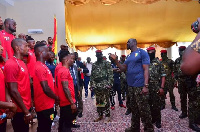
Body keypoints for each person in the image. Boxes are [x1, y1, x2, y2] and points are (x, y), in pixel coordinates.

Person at [109, 38, 154, 132]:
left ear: (134, 43)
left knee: (144, 109)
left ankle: (149, 129)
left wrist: (146, 86)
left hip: (140, 85)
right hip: (131, 86)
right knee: (134, 108)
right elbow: (122, 68)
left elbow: (146, 69)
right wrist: (116, 60)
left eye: (129, 42)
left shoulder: (142, 53)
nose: (127, 43)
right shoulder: (129, 56)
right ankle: (135, 127)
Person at [4, 38, 33, 132]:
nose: (28, 48)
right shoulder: (11, 64)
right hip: (19, 110)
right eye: (26, 46)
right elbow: (13, 90)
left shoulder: (22, 62)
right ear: (17, 48)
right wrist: (26, 111)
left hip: (25, 107)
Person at [33, 43, 59, 132]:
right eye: (47, 51)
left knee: (46, 126)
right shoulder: (40, 67)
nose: (49, 53)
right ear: (40, 53)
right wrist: (56, 98)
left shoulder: (44, 66)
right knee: (44, 127)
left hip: (48, 104)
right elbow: (45, 88)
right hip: (44, 106)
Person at [90, 50, 113, 123]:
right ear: (96, 55)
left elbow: (110, 74)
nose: (99, 55)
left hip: (104, 84)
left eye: (100, 54)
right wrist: (91, 85)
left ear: (102, 55)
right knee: (98, 100)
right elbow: (92, 76)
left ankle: (107, 116)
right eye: (97, 54)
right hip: (97, 85)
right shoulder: (94, 64)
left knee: (105, 100)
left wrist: (110, 83)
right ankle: (100, 115)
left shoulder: (106, 63)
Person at [57, 51, 77, 132]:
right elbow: (65, 88)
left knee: (63, 122)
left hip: (64, 101)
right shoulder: (64, 71)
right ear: (66, 60)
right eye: (71, 59)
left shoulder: (62, 69)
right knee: (67, 125)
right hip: (67, 102)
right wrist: (72, 103)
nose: (73, 60)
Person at [147, 47, 166, 128]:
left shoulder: (159, 62)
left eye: (151, 52)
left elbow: (163, 76)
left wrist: (162, 87)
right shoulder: (145, 62)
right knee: (148, 104)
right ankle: (152, 119)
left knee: (156, 104)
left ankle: (158, 120)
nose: (150, 53)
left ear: (154, 52)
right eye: (148, 52)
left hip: (156, 86)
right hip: (147, 86)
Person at [0, 42, 17, 132]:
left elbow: (4, 86)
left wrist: (8, 102)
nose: (2, 48)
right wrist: (10, 105)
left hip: (2, 115)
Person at [174, 46, 188, 118]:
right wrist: (176, 80)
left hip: (189, 80)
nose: (181, 52)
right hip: (181, 81)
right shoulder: (177, 60)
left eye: (183, 50)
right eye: (180, 50)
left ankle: (194, 115)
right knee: (182, 97)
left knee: (193, 98)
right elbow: (175, 71)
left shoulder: (189, 59)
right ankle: (184, 112)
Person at [74, 52, 88, 118]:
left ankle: (80, 111)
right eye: (74, 55)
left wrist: (81, 69)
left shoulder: (79, 63)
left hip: (79, 83)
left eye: (76, 55)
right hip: (71, 84)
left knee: (79, 98)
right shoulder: (68, 63)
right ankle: (73, 111)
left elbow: (87, 70)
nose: (75, 56)